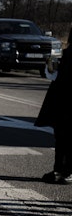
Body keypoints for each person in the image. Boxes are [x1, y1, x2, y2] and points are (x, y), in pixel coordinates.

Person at [35, 35, 71, 184]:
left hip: (65, 101)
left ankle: (62, 171)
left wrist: (53, 67)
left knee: (63, 136)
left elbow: (59, 76)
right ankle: (64, 170)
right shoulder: (66, 53)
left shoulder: (68, 54)